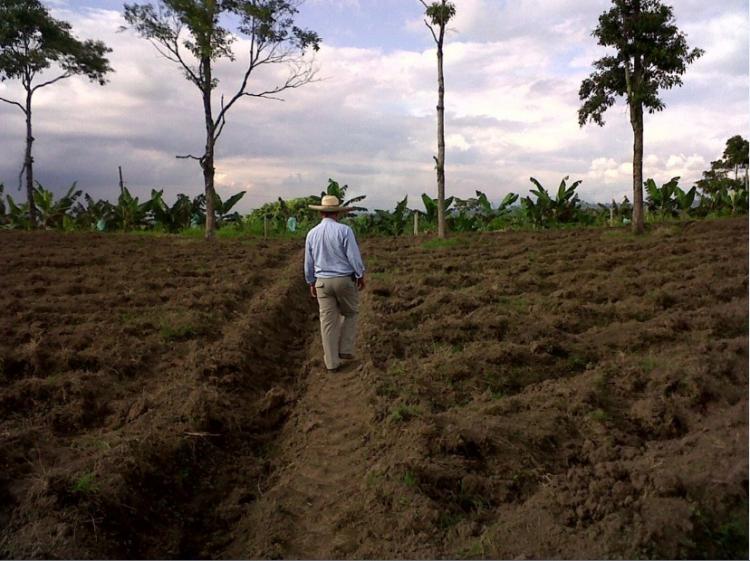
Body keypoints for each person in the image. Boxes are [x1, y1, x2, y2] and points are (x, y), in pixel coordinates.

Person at [304, 195, 366, 372]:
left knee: (327, 322)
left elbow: (308, 262)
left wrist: (310, 281)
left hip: (322, 282)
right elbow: (353, 256)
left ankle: (331, 363)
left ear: (321, 213)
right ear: (337, 213)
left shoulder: (312, 233)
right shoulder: (345, 231)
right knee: (351, 312)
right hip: (344, 279)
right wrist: (360, 274)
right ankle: (345, 349)